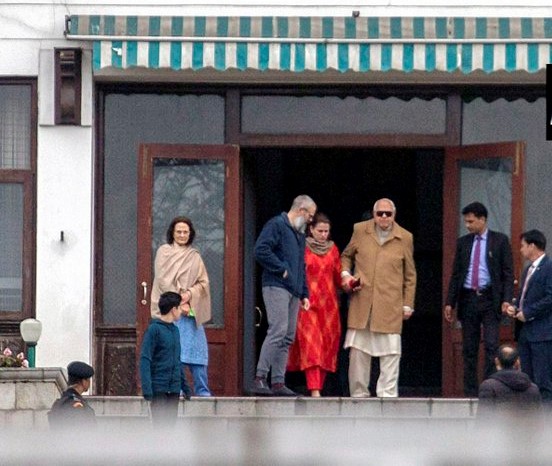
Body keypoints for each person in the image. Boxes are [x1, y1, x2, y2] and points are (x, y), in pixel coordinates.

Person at [341, 198, 416, 398]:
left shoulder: (405, 237)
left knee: (391, 352)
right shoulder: (360, 230)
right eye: (379, 213)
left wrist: (408, 303)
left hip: (390, 303)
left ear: (394, 215)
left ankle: (387, 395)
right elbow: (346, 256)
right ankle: (358, 394)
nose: (383, 217)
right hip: (362, 301)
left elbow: (410, 275)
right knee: (358, 352)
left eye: (388, 214)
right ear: (374, 215)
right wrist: (346, 275)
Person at [444, 202, 514, 397]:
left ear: (483, 219)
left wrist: (506, 299)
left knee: (492, 345)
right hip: (468, 299)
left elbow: (507, 273)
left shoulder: (499, 241)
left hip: (490, 298)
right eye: (465, 221)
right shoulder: (463, 242)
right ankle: (470, 391)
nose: (468, 225)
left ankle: (489, 389)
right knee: (469, 347)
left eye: (471, 221)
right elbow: (456, 273)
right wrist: (450, 302)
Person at [251, 194, 316, 396]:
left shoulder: (299, 234)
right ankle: (260, 378)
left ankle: (278, 382)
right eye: (310, 216)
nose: (310, 220)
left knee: (288, 336)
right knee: (278, 330)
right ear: (301, 210)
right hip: (276, 285)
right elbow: (260, 250)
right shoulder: (276, 225)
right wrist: (281, 269)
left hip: (294, 290)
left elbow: (301, 265)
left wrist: (304, 292)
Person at [151, 216, 212, 398]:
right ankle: (174, 390)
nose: (182, 235)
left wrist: (189, 295)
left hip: (191, 313)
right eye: (179, 231)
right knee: (173, 354)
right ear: (172, 232)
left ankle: (202, 391)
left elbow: (203, 283)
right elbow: (163, 280)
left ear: (190, 234)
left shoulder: (195, 256)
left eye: (186, 232)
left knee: (198, 354)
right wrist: (177, 303)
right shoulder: (164, 252)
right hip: (172, 313)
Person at [287, 212, 342, 397]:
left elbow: (339, 275)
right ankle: (315, 390)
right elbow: (295, 272)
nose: (324, 235)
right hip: (307, 303)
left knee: (327, 347)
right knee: (312, 347)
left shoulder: (333, 249)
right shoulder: (302, 247)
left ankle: (318, 386)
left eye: (327, 231)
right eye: (320, 231)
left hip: (329, 307)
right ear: (311, 229)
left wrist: (351, 283)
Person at [506, 229, 552, 404]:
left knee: (543, 381)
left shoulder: (549, 267)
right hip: (526, 332)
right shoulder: (527, 270)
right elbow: (525, 296)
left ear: (533, 246)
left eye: (523, 246)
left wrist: (528, 312)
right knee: (527, 380)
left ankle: (547, 423)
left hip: (543, 333)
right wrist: (515, 307)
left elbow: (550, 297)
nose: (521, 250)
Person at [140, 291, 184, 426]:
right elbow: (145, 359)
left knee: (170, 428)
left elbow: (177, 360)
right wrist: (147, 388)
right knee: (160, 428)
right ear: (173, 309)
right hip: (159, 388)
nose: (182, 311)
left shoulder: (175, 331)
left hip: (174, 389)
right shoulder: (154, 330)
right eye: (180, 307)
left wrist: (184, 386)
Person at [477, 344, 541, 418]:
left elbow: (483, 420)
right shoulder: (533, 389)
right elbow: (539, 421)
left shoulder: (488, 387)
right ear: (518, 362)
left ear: (497, 361)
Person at [48, 361, 96, 429]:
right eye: (88, 379)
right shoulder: (76, 405)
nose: (89, 383)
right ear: (83, 381)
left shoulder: (60, 402)